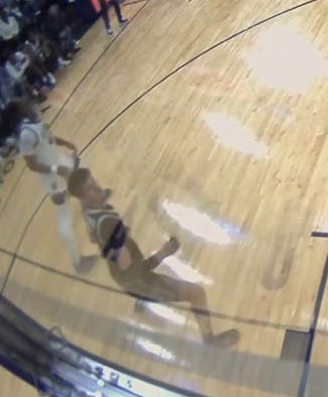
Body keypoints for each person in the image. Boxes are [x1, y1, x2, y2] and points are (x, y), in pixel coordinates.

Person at [66, 168, 240, 347]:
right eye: (91, 189)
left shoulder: (88, 211)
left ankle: (143, 300)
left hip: (116, 269)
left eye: (95, 183)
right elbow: (131, 274)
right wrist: (163, 254)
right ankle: (209, 339)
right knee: (196, 293)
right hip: (134, 280)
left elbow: (93, 237)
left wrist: (114, 241)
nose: (99, 189)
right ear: (83, 197)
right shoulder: (109, 226)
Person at [16, 100, 91, 272]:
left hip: (60, 163)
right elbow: (32, 165)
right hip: (53, 177)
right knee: (64, 215)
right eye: (30, 104)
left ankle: (90, 207)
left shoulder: (35, 121)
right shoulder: (26, 136)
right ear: (24, 110)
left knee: (84, 169)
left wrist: (65, 143)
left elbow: (49, 137)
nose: (34, 105)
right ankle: (78, 261)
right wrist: (57, 169)